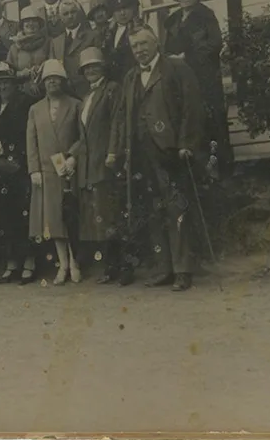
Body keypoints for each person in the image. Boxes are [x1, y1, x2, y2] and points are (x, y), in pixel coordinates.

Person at [107, 25, 204, 292]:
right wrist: (122, 152)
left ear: (156, 43)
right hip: (140, 155)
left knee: (177, 208)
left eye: (143, 44)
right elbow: (123, 117)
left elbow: (191, 108)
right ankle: (164, 268)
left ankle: (183, 269)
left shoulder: (175, 68)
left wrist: (186, 143)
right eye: (134, 46)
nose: (139, 50)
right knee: (153, 212)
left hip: (169, 150)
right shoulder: (129, 77)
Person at [163, 0, 232, 178]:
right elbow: (166, 47)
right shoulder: (173, 20)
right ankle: (194, 170)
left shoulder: (206, 16)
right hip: (180, 77)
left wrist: (188, 56)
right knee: (187, 117)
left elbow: (214, 44)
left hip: (204, 77)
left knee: (211, 119)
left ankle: (219, 168)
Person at [72, 48, 130, 286]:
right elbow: (83, 137)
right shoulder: (86, 97)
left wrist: (113, 152)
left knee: (111, 215)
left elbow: (118, 122)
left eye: (95, 66)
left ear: (103, 67)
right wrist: (70, 155)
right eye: (86, 68)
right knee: (98, 219)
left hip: (105, 162)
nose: (90, 70)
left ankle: (125, 267)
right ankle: (110, 267)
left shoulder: (112, 90)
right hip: (88, 166)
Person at [27, 60, 82, 286]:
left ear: (63, 81)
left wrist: (73, 156)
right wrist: (34, 170)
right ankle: (63, 265)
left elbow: (83, 136)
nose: (52, 82)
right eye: (48, 79)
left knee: (70, 218)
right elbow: (31, 141)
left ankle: (75, 262)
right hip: (47, 172)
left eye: (56, 78)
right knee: (54, 222)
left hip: (68, 170)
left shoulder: (76, 105)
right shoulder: (35, 109)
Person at [0, 63, 35, 284]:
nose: (3, 86)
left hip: (19, 164)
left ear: (14, 84)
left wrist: (8, 149)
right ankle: (11, 263)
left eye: (6, 82)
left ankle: (30, 263)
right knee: (4, 216)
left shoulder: (24, 103)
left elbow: (28, 133)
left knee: (23, 214)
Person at [48, 0, 99, 99]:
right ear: (60, 17)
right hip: (65, 95)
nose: (70, 16)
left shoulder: (92, 36)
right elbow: (53, 70)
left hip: (88, 91)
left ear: (79, 14)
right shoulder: (56, 42)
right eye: (66, 14)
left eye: (73, 12)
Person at [101, 0, 140, 83]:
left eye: (126, 8)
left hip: (134, 82)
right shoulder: (108, 33)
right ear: (112, 12)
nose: (122, 13)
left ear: (133, 8)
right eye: (118, 10)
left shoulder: (140, 29)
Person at [7, 6, 49, 97]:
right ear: (22, 25)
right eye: (27, 20)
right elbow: (9, 73)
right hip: (21, 93)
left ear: (39, 24)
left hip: (44, 90)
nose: (31, 23)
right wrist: (21, 74)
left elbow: (54, 65)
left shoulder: (47, 43)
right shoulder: (14, 48)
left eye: (34, 20)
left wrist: (41, 69)